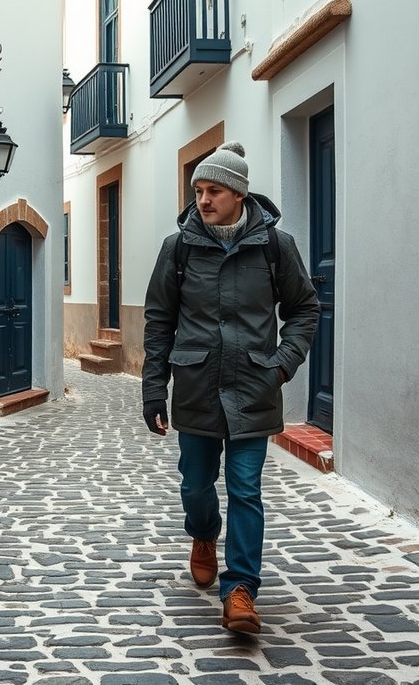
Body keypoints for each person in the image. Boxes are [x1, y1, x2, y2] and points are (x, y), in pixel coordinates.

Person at [141, 140, 320, 634]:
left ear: (239, 194)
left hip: (254, 387)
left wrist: (282, 364)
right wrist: (153, 389)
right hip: (196, 387)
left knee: (246, 489)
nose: (203, 200)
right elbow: (159, 319)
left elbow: (305, 309)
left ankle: (241, 589)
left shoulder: (274, 247)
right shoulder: (177, 248)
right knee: (196, 484)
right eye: (198, 190)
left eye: (214, 190)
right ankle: (202, 535)